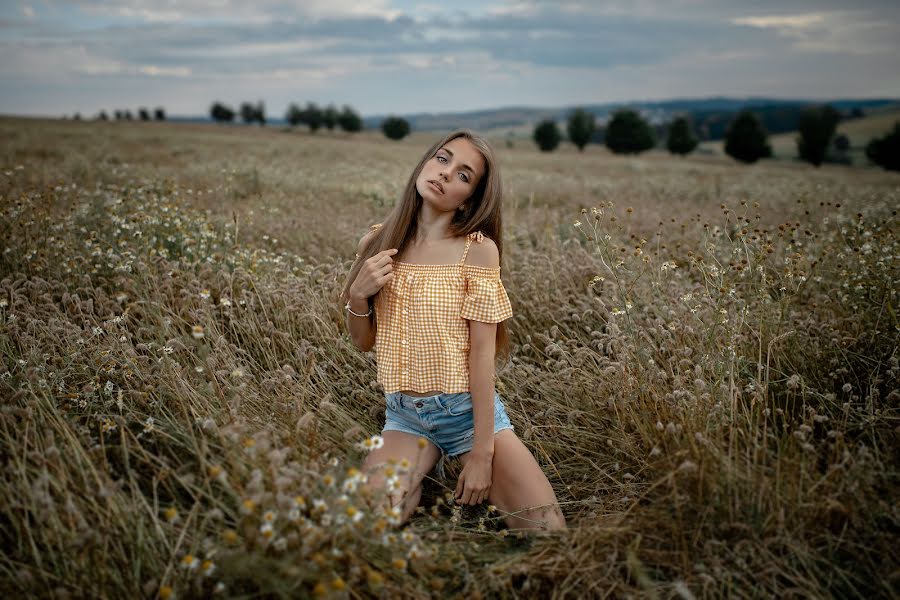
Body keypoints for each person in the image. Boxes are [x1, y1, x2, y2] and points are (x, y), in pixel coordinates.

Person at [341, 129, 566, 531]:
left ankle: (458, 460)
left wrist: (482, 453)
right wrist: (357, 297)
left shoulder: (477, 251)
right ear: (425, 162)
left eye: (464, 175)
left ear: (471, 199)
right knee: (365, 526)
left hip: (466, 414)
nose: (446, 174)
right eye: (443, 159)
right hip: (405, 415)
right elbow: (363, 342)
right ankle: (425, 469)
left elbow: (482, 357)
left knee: (549, 532)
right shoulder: (377, 241)